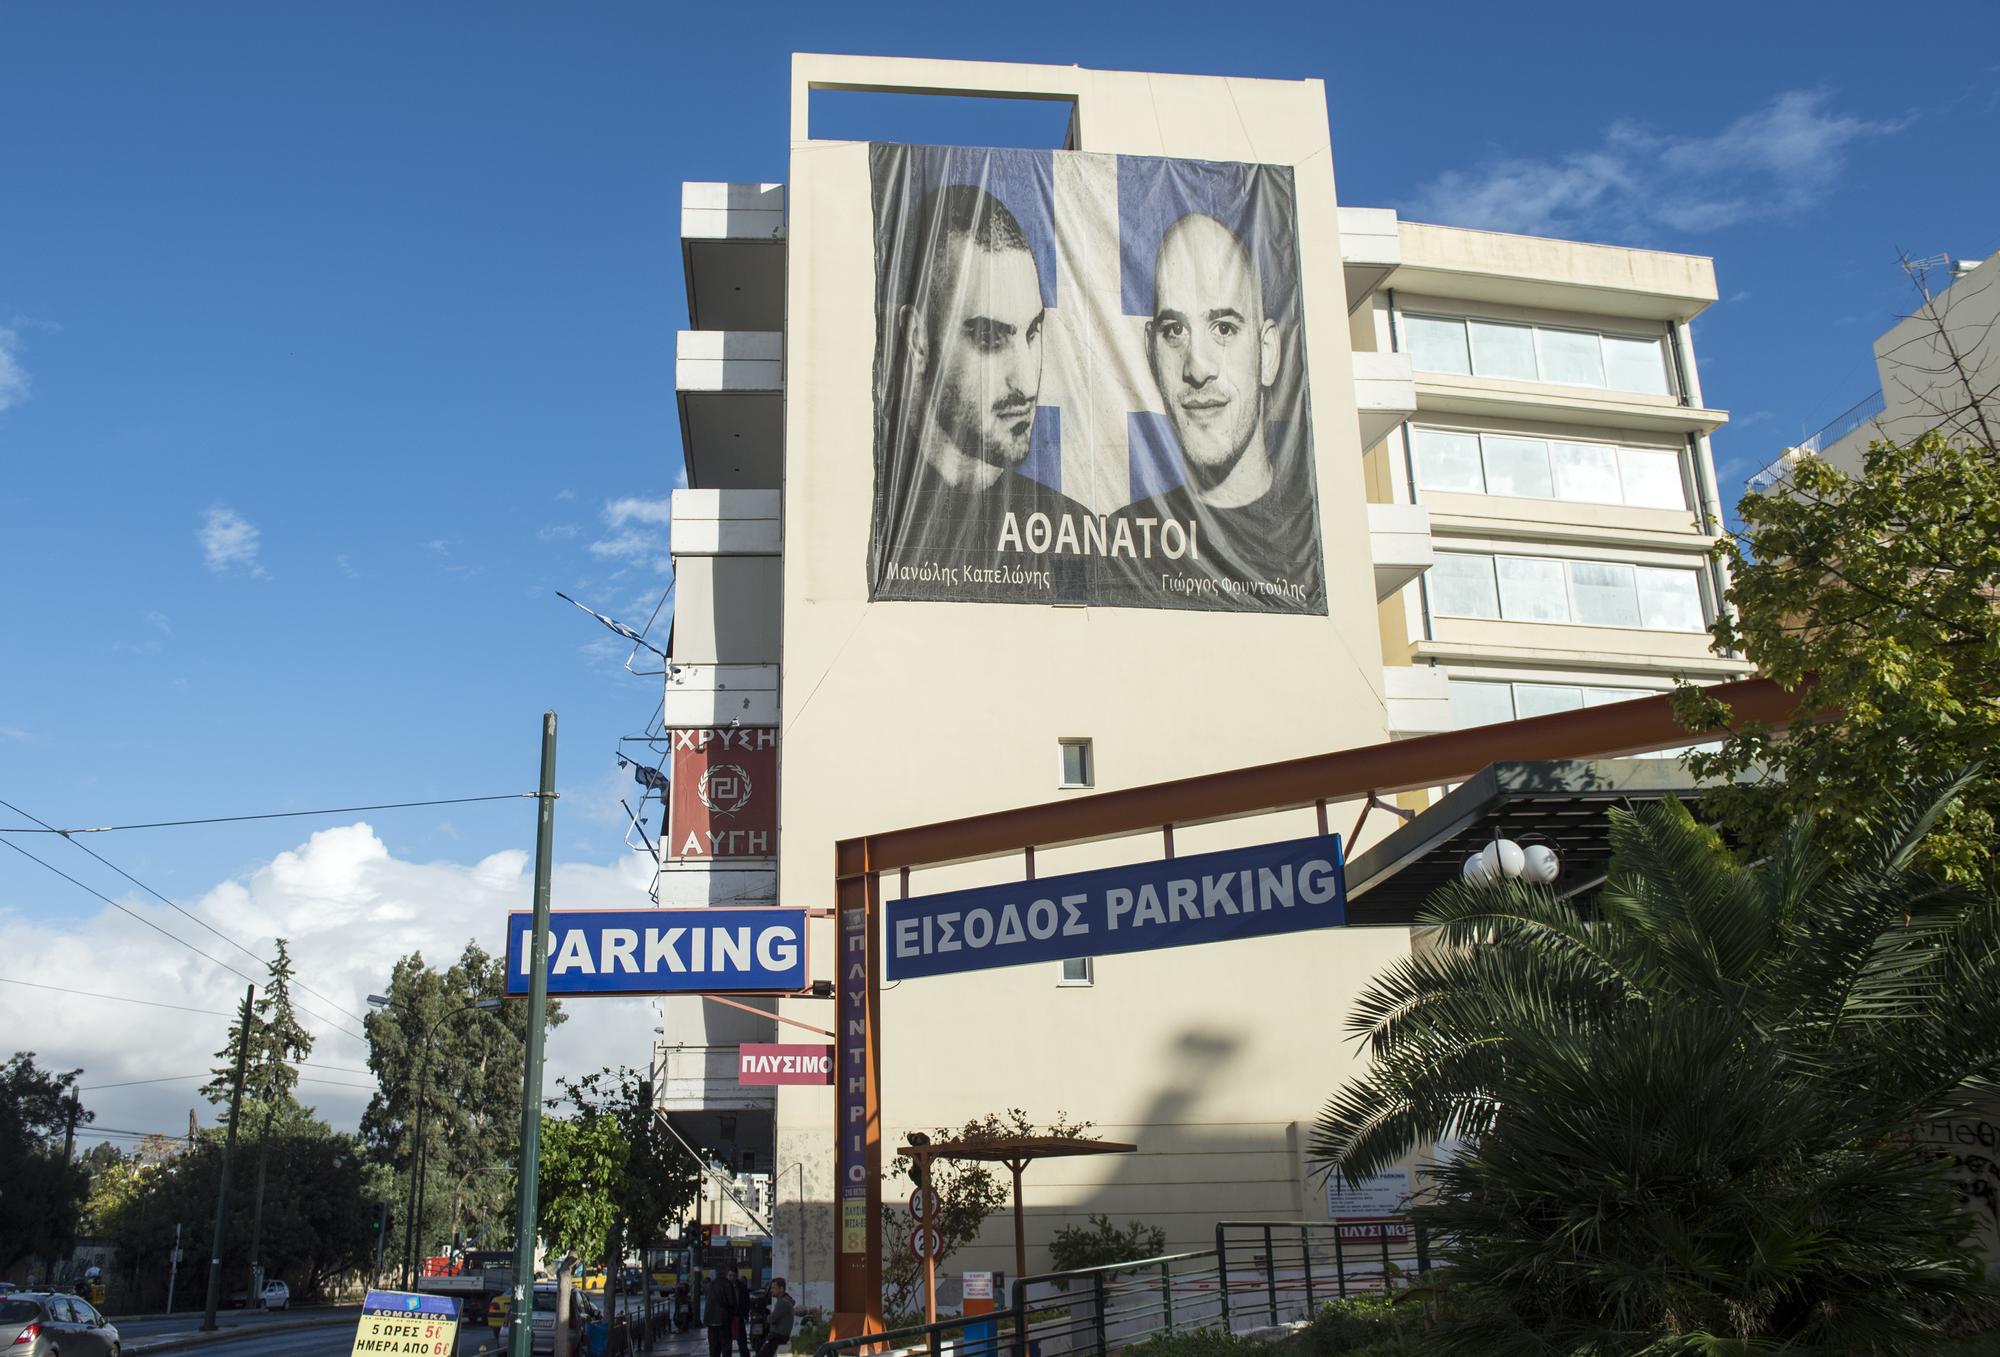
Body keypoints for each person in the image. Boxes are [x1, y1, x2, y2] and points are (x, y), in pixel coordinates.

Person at [875, 181, 1090, 601]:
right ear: (919, 339)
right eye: (990, 337)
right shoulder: (871, 507)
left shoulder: (1071, 531)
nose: (1027, 384)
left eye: (1032, 333)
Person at [1118, 211, 1323, 607]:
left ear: (1267, 353)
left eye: (1224, 328)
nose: (1197, 367)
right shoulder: (1118, 542)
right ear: (1150, 352)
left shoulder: (1314, 533)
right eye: (1174, 331)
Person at [703, 1265, 740, 1357]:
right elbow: (732, 1302)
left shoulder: (710, 1284)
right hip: (723, 1321)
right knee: (726, 1347)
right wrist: (734, 1314)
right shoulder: (727, 1284)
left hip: (710, 1321)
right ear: (724, 1273)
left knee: (713, 1349)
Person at [754, 1278, 793, 1357]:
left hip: (777, 1337)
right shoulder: (784, 1301)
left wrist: (766, 1316)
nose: (771, 1290)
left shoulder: (782, 1302)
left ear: (781, 1289)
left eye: (773, 1288)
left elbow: (771, 1319)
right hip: (779, 1336)